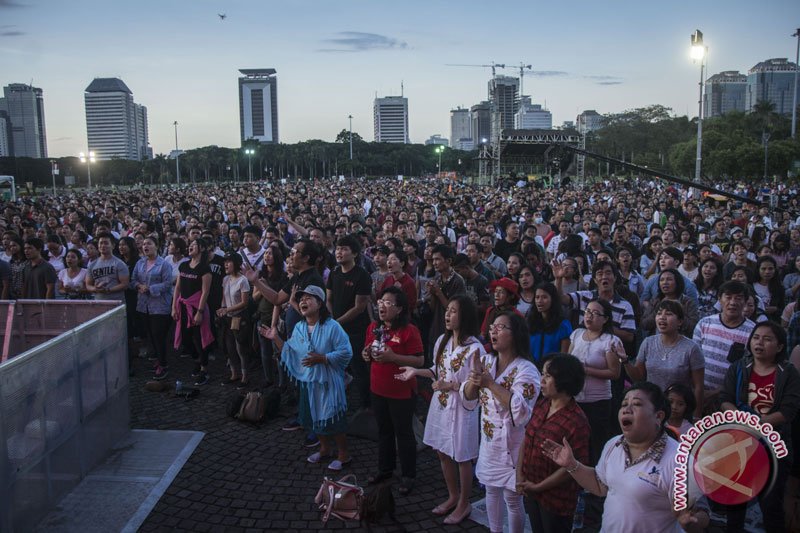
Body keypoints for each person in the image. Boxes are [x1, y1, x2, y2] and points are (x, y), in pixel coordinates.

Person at [543, 382, 710, 533]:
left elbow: (701, 513)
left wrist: (689, 523)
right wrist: (571, 464)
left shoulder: (680, 460)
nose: (626, 409)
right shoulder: (613, 444)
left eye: (636, 404)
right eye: (624, 404)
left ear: (658, 416)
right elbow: (601, 486)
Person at [395, 295, 484, 525]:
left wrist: (452, 385)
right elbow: (436, 370)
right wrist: (416, 372)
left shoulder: (474, 348)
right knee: (442, 451)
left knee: (462, 456)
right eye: (447, 310)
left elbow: (478, 385)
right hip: (442, 404)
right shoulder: (442, 342)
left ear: (464, 316)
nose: (447, 314)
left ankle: (464, 502)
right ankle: (452, 495)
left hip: (462, 408)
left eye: (453, 311)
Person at [462, 311, 541, 533]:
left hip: (515, 445)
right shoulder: (487, 361)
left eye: (500, 327)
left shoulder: (527, 370)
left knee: (512, 498)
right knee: (491, 491)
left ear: (515, 334)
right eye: (492, 327)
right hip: (489, 442)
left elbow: (521, 410)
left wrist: (489, 383)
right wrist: (475, 378)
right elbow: (467, 396)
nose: (493, 331)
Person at [261, 285, 353, 470]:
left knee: (334, 417)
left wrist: (323, 358)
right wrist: (276, 338)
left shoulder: (332, 326)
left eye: (308, 298)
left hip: (329, 381)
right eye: (301, 299)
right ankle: (325, 448)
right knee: (315, 415)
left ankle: (344, 454)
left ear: (319, 303)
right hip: (310, 382)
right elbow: (291, 351)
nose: (303, 301)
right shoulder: (299, 328)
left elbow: (346, 352)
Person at [720, 321, 800, 532]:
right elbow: (725, 399)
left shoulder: (788, 372)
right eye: (756, 337)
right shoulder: (738, 367)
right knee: (735, 503)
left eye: (767, 339)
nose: (759, 343)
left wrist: (757, 424)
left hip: (774, 447)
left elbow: (788, 411)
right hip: (740, 445)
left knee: (771, 505)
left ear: (780, 346)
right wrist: (740, 418)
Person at [516, 353, 590, 533]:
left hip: (556, 500)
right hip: (531, 490)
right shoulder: (542, 404)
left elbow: (572, 469)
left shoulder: (577, 422)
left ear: (564, 381)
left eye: (547, 376)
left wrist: (539, 487)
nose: (541, 381)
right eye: (542, 374)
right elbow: (527, 438)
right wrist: (519, 475)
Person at [362, 286, 424, 495]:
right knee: (384, 431)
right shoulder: (373, 328)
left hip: (402, 391)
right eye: (381, 302)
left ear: (399, 309)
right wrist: (366, 354)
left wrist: (394, 358)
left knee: (403, 433)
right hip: (378, 388)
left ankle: (408, 475)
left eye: (388, 303)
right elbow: (368, 350)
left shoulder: (409, 330)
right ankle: (385, 469)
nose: (382, 306)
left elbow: (420, 360)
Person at [568, 297, 623, 467]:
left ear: (605, 319)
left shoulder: (610, 341)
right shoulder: (576, 334)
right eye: (587, 312)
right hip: (575, 400)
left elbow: (615, 373)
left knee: (596, 444)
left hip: (598, 402)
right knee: (575, 443)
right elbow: (568, 362)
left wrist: (586, 370)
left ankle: (596, 484)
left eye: (595, 313)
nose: (589, 316)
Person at [625, 300, 705, 418]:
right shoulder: (648, 343)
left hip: (678, 411)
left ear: (680, 321)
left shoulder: (691, 348)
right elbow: (639, 377)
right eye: (659, 313)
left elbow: (698, 386)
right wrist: (625, 361)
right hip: (651, 408)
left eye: (668, 314)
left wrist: (696, 416)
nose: (662, 317)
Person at [692, 280, 754, 413]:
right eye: (728, 297)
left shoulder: (753, 332)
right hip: (699, 395)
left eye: (738, 298)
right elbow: (693, 361)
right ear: (719, 299)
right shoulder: (704, 323)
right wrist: (699, 392)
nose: (733, 302)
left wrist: (714, 393)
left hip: (731, 400)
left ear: (745, 302)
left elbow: (749, 371)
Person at [326, 235, 372, 409]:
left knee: (359, 367)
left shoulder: (362, 275)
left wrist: (337, 322)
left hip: (356, 329)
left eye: (344, 249)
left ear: (354, 254)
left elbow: (359, 307)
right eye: (338, 249)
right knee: (336, 365)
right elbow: (328, 298)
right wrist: (331, 319)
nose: (339, 252)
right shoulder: (335, 272)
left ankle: (366, 405)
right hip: (336, 326)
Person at [131, 236, 174, 380]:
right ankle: (158, 361)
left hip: (160, 306)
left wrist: (151, 288)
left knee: (158, 335)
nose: (145, 246)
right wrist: (139, 286)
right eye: (143, 244)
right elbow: (133, 280)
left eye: (149, 243)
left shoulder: (164, 264)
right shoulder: (140, 263)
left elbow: (168, 283)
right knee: (150, 335)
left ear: (156, 246)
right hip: (144, 305)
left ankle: (163, 364)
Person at [172, 237, 213, 386]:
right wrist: (174, 307)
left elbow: (205, 291)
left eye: (195, 245)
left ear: (201, 249)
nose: (190, 246)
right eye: (190, 244)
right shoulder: (183, 266)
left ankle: (204, 369)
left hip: (197, 307)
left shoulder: (205, 269)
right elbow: (177, 287)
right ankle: (197, 359)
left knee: (200, 338)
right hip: (183, 307)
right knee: (186, 339)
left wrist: (200, 312)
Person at [253, 244, 288, 386]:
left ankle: (282, 383)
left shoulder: (283, 276)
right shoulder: (261, 275)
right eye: (266, 253)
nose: (267, 256)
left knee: (278, 353)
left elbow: (279, 300)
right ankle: (268, 379)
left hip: (276, 317)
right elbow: (254, 297)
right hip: (262, 316)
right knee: (265, 351)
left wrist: (265, 286)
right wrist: (260, 286)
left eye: (270, 254)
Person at [217, 253, 252, 386]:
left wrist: (227, 310)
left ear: (236, 264)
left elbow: (244, 302)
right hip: (228, 317)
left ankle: (245, 376)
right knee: (228, 346)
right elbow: (224, 298)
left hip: (239, 317)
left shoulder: (243, 280)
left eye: (229, 262)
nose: (226, 264)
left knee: (240, 348)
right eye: (225, 262)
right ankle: (234, 374)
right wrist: (222, 309)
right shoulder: (225, 279)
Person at [640, 268, 699, 336]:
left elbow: (693, 327)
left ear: (677, 282)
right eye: (661, 280)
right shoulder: (656, 301)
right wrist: (659, 309)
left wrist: (677, 311)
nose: (665, 282)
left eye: (669, 279)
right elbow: (644, 324)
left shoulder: (687, 302)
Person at [527, 282, 572, 368]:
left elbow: (564, 356)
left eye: (544, 297)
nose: (539, 301)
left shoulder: (563, 325)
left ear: (553, 299)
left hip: (552, 371)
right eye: (537, 297)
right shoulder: (530, 322)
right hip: (531, 369)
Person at [86, 233, 130, 302]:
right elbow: (88, 285)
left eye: (106, 243)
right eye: (101, 243)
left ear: (113, 245)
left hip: (116, 303)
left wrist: (108, 290)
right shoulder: (92, 265)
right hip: (98, 302)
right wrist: (95, 289)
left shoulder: (119, 264)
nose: (103, 245)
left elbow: (125, 284)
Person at [481, 277, 523, 341]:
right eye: (496, 291)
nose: (496, 295)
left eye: (501, 292)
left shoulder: (516, 315)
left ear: (511, 296)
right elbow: (483, 334)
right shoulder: (491, 310)